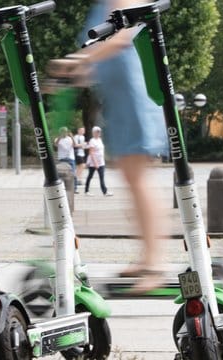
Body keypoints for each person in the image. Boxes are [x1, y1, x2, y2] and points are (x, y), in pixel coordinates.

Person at [48, 0, 168, 292]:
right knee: (131, 177)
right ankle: (147, 259)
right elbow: (101, 56)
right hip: (119, 100)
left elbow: (121, 36)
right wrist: (72, 75)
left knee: (139, 178)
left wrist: (78, 60)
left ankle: (155, 264)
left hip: (134, 97)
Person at [84, 126, 113, 197]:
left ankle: (105, 192)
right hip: (94, 163)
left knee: (102, 177)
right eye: (96, 132)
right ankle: (86, 191)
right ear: (93, 133)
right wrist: (95, 163)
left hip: (101, 162)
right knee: (90, 176)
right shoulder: (92, 141)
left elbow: (101, 151)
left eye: (99, 132)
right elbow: (91, 152)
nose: (98, 133)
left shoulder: (100, 140)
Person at [54, 127, 77, 193]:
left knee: (73, 174)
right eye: (63, 131)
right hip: (62, 158)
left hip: (70, 158)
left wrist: (72, 137)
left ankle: (74, 189)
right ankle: (61, 188)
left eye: (66, 131)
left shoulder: (70, 139)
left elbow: (75, 145)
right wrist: (59, 137)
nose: (65, 133)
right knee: (61, 175)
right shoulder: (58, 139)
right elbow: (56, 144)